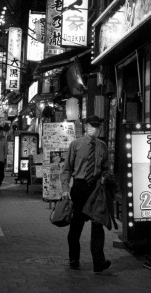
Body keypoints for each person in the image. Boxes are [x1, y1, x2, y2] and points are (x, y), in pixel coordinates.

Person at [61, 115, 111, 273]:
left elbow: (106, 167)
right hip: (79, 188)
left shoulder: (102, 146)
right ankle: (74, 259)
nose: (95, 129)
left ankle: (99, 262)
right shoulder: (75, 144)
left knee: (98, 226)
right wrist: (65, 189)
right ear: (85, 126)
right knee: (76, 225)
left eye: (97, 126)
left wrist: (106, 178)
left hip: (96, 189)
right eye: (92, 126)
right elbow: (67, 168)